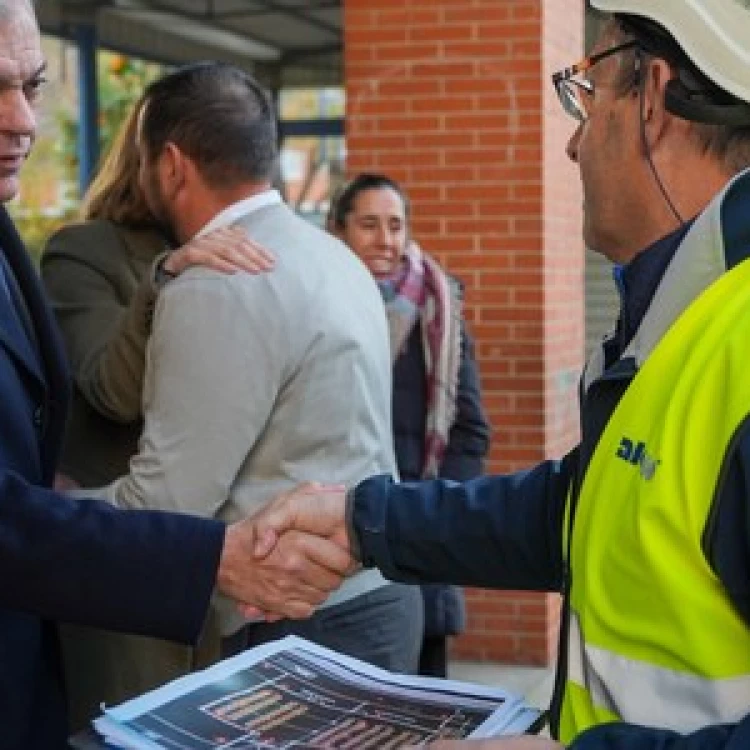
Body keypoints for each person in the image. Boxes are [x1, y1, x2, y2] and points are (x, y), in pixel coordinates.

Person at [252, 0, 750, 748]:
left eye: (587, 96)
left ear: (650, 97)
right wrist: (365, 520)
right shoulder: (684, 309)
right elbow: (590, 512)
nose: (574, 146)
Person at [0, 0, 351, 746]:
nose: (23, 122)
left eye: (32, 87)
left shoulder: (260, 255)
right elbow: (100, 392)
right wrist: (166, 286)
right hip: (116, 567)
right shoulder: (98, 252)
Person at [93, 62, 423, 673]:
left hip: (300, 627)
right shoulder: (335, 256)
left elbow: (168, 503)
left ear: (170, 164)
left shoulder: (215, 282)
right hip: (383, 597)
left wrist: (49, 510)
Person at [40, 100, 275, 729]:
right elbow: (108, 390)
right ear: (162, 162)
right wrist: (162, 279)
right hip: (129, 557)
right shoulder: (83, 252)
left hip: (221, 564)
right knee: (132, 730)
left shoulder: (246, 243)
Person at [329, 172, 490, 677]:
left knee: (421, 701)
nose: (385, 240)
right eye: (369, 225)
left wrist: (433, 511)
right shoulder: (318, 306)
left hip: (416, 536)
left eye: (395, 226)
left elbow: (469, 430)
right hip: (336, 533)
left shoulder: (438, 312)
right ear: (338, 231)